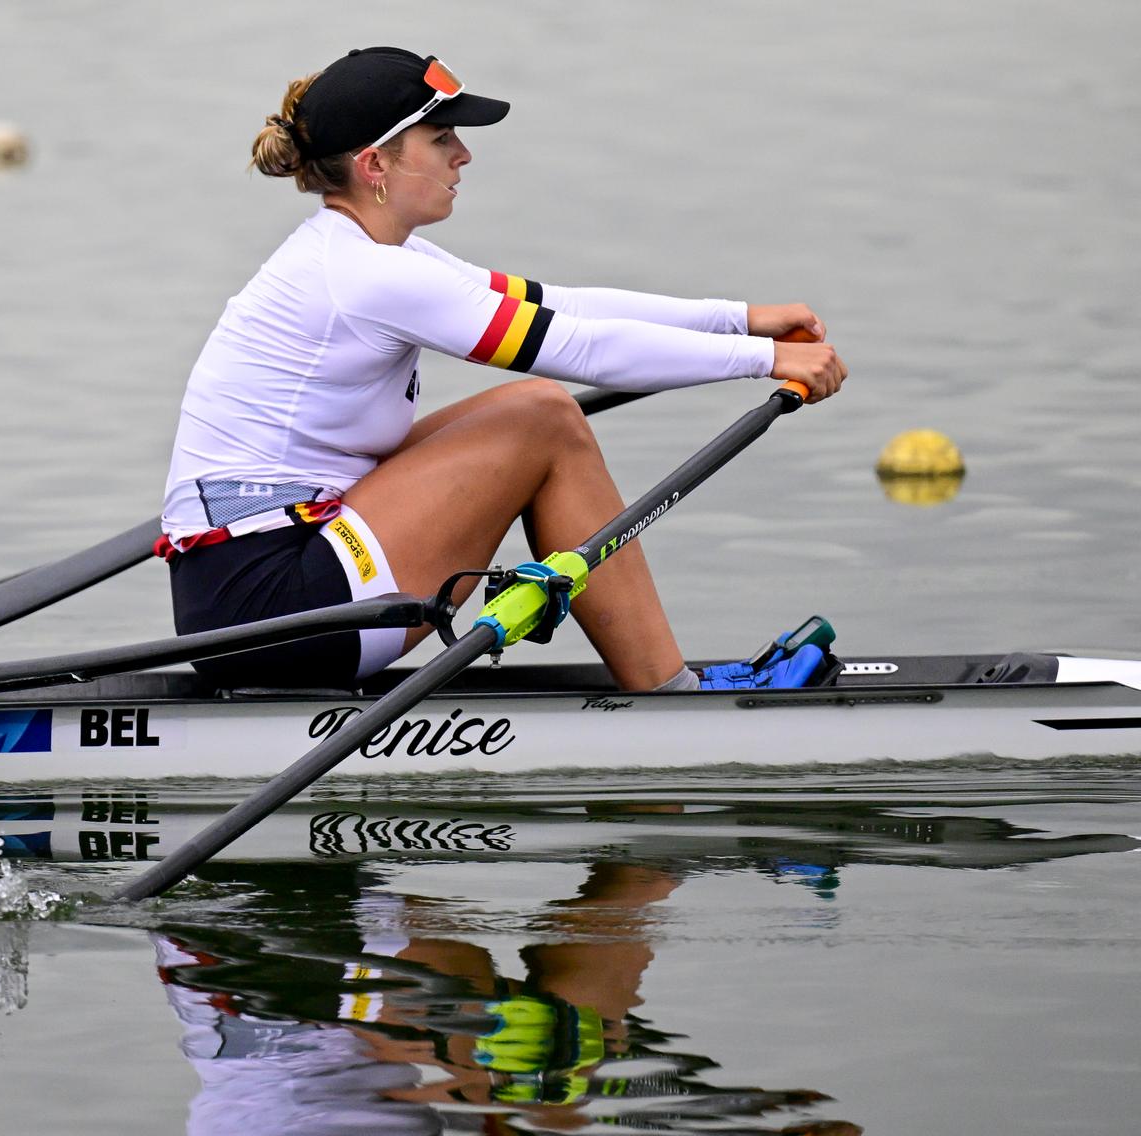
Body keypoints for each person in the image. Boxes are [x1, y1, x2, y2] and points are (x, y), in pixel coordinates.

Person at [159, 46, 846, 693]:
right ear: (376, 165)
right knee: (543, 417)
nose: (464, 154)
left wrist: (742, 317)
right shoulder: (365, 275)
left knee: (535, 409)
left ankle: (661, 681)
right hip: (271, 609)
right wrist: (766, 361)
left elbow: (563, 306)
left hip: (262, 582)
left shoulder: (375, 255)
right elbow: (581, 351)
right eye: (442, 139)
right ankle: (671, 693)